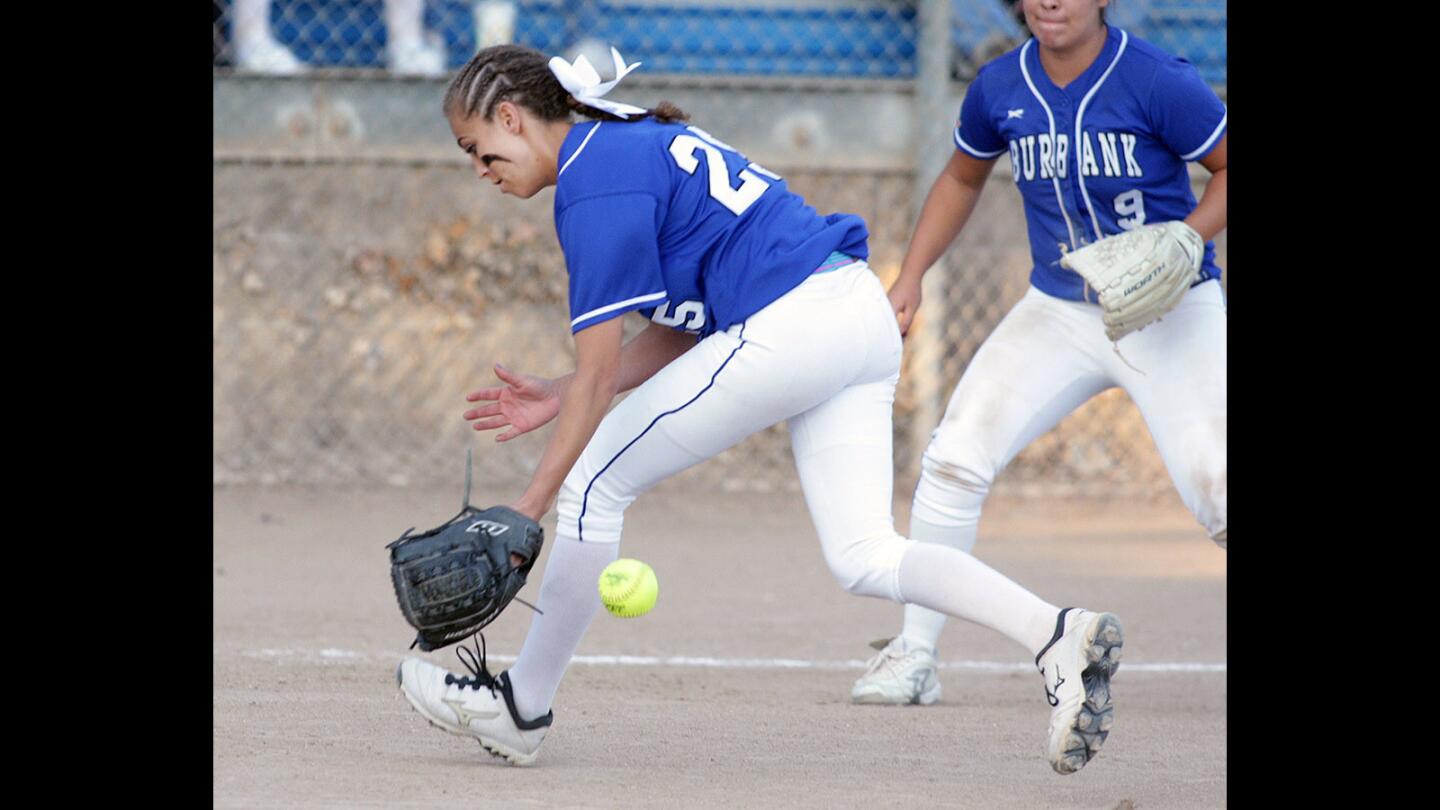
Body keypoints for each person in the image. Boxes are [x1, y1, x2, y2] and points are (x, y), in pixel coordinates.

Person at [394, 43, 1124, 775]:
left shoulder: (592, 185)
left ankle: (521, 708)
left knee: (592, 483)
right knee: (865, 555)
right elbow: (682, 325)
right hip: (855, 314)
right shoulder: (623, 142)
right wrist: (561, 390)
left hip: (795, 323)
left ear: (513, 117)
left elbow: (601, 376)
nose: (480, 170)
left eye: (479, 149)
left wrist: (527, 508)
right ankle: (1055, 633)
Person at [849, 0, 1226, 706]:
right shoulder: (1000, 84)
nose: (1051, 1)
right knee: (956, 458)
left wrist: (1189, 236)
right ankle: (914, 654)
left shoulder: (1155, 79)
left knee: (1220, 492)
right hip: (1059, 310)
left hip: (1171, 311)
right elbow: (962, 176)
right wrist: (910, 277)